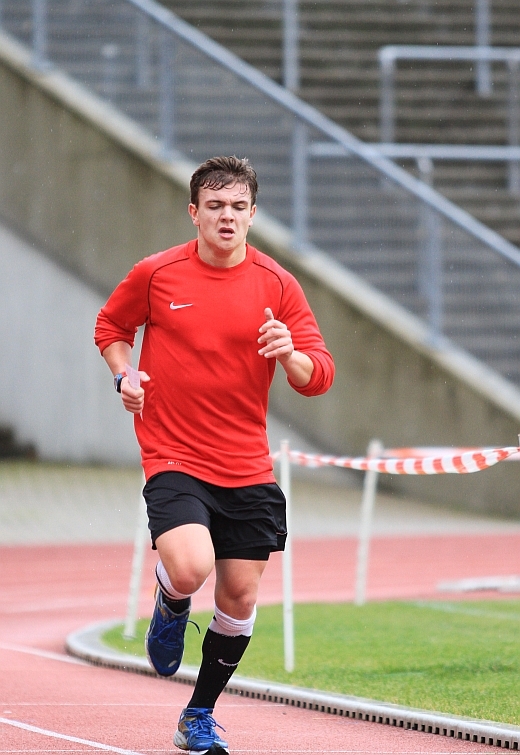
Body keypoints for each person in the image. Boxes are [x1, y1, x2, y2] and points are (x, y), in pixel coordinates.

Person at [94, 155, 335, 754]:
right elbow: (111, 328)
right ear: (194, 212)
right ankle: (171, 600)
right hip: (173, 452)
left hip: (247, 464)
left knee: (240, 598)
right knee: (190, 567)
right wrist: (125, 375)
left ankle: (197, 713)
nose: (227, 216)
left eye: (238, 207)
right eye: (215, 205)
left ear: (253, 214)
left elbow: (319, 375)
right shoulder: (157, 273)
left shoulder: (278, 285)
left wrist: (288, 353)